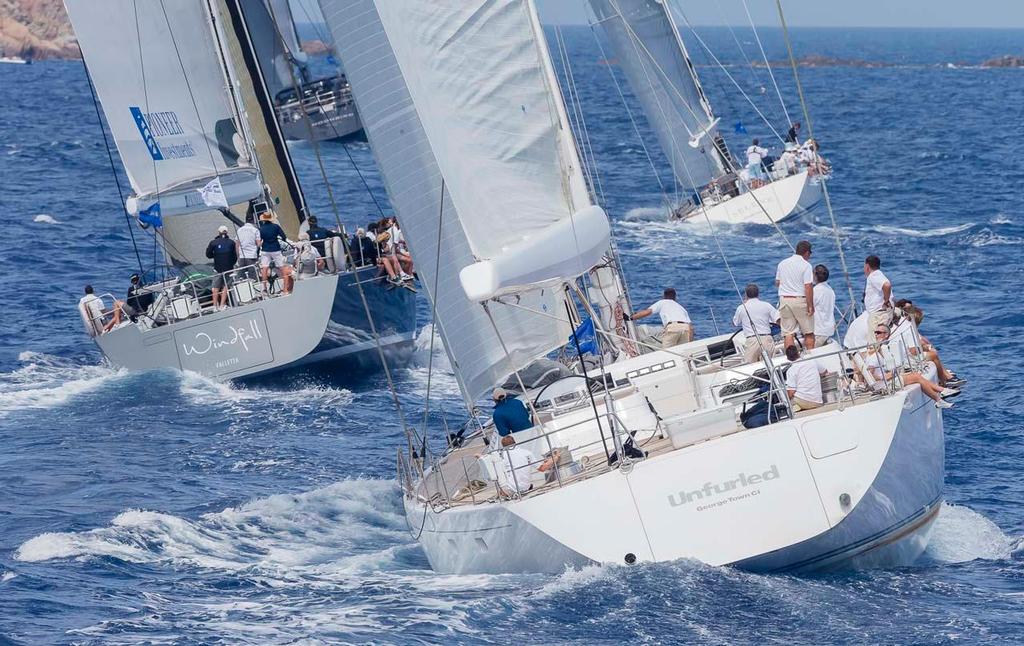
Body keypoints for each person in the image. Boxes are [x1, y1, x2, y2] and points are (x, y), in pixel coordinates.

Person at [869, 325, 953, 409]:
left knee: (916, 375)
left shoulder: (884, 351)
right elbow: (870, 376)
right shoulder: (874, 358)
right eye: (875, 333)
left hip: (888, 380)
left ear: (886, 335)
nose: (876, 335)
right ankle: (940, 395)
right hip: (884, 384)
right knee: (916, 377)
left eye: (878, 333)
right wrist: (886, 376)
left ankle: (941, 393)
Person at [775, 240, 815, 349]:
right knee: (809, 333)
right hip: (799, 301)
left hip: (784, 300)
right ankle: (811, 358)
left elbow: (777, 283)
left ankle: (791, 359)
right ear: (806, 253)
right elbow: (808, 287)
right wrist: (810, 305)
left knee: (788, 334)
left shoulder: (782, 263)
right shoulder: (806, 265)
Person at [626, 288, 694, 348]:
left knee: (667, 352)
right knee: (682, 352)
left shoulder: (662, 302)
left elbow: (647, 312)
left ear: (664, 296)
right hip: (685, 329)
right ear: (675, 297)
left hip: (673, 328)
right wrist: (690, 343)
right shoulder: (681, 308)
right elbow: (691, 327)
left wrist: (630, 318)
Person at [732, 283, 780, 363]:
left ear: (746, 295)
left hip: (752, 340)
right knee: (770, 363)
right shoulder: (767, 305)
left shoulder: (741, 308)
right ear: (758, 294)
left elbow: (735, 323)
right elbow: (778, 319)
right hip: (767, 339)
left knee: (750, 366)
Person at [258, 212, 293, 295]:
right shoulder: (276, 227)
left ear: (263, 220)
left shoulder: (261, 229)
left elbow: (259, 241)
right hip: (276, 249)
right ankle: (285, 289)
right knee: (282, 268)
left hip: (265, 249)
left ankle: (264, 289)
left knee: (264, 269)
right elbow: (284, 237)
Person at [205, 225, 238, 311]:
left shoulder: (213, 242)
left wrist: (215, 255)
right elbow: (235, 256)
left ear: (219, 232)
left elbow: (208, 255)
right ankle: (222, 305)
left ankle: (215, 306)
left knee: (215, 288)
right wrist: (231, 264)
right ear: (227, 232)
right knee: (225, 287)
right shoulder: (231, 242)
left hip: (218, 268)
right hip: (229, 268)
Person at [784, 345, 826, 412]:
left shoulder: (791, 370)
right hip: (818, 402)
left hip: (802, 402)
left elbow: (791, 392)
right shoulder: (811, 360)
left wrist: (785, 400)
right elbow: (824, 372)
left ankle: (796, 408)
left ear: (788, 358)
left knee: (786, 404)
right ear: (798, 353)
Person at [863, 255, 893, 332]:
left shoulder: (873, 276)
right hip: (882, 313)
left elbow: (887, 285)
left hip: (878, 315)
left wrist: (886, 301)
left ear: (867, 266)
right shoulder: (879, 275)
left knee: (874, 341)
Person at [812, 264, 836, 346]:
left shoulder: (816, 290)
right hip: (829, 329)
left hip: (819, 330)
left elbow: (809, 307)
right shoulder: (830, 290)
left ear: (815, 275)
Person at [236, 208, 261, 280]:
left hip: (242, 257)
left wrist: (238, 256)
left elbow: (237, 245)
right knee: (254, 277)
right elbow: (258, 244)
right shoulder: (255, 230)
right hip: (251, 257)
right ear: (253, 221)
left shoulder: (239, 230)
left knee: (241, 278)